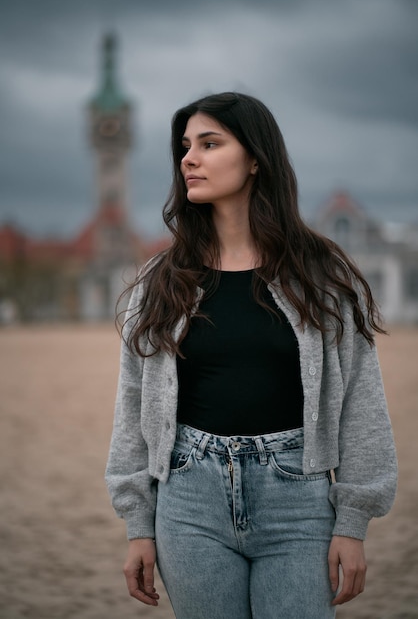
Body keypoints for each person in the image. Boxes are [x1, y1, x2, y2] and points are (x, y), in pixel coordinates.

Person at [105, 91, 397, 619]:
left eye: (210, 143)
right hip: (188, 500)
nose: (188, 158)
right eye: (185, 146)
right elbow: (132, 406)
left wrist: (352, 523)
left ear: (256, 158)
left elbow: (362, 402)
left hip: (298, 502)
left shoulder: (323, 276)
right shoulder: (160, 281)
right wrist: (138, 527)